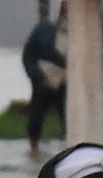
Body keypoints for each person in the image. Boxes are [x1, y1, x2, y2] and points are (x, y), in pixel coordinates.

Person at [19, 9, 69, 153]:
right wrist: (38, 76)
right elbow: (28, 56)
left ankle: (70, 149)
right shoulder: (43, 29)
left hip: (68, 84)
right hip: (43, 82)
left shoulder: (81, 30)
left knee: (69, 120)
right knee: (35, 119)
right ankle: (33, 149)